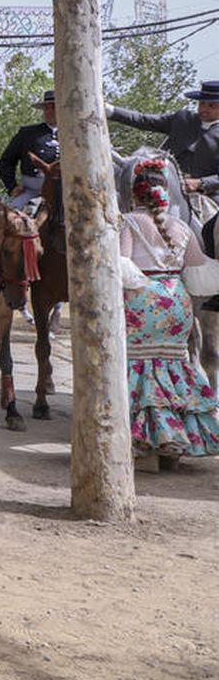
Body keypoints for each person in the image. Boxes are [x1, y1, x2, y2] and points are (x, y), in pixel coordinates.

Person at [117, 157, 219, 466]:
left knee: (139, 367)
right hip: (177, 302)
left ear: (134, 194)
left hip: (141, 300)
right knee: (173, 366)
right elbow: (200, 270)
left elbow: (121, 265)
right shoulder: (183, 226)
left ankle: (143, 442)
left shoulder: (127, 222)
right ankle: (175, 439)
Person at [108, 79, 219, 204]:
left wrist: (200, 183)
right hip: (159, 179)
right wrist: (111, 111)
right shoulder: (182, 118)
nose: (204, 109)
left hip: (205, 193)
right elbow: (143, 120)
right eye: (202, 103)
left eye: (211, 106)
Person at [0, 89, 60, 209]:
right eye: (47, 107)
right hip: (32, 191)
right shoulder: (27, 133)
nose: (49, 111)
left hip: (66, 190)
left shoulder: (73, 134)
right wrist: (12, 187)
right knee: (12, 216)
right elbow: (7, 161)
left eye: (53, 107)